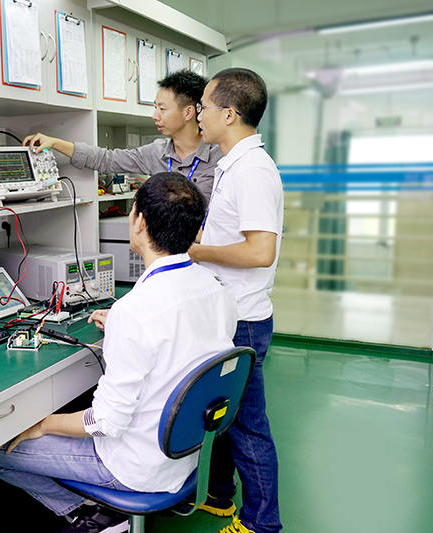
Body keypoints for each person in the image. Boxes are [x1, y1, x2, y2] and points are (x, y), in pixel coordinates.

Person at [0, 173, 237, 533]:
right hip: (185, 455)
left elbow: (104, 423)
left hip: (134, 468)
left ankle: (94, 516)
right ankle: (97, 513)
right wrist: (121, 324)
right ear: (196, 230)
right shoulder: (217, 289)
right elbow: (182, 340)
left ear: (139, 222)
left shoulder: (137, 311)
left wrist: (43, 424)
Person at [188, 68, 284, 533]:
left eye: (204, 106)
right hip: (228, 313)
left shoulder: (253, 171)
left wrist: (196, 251)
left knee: (248, 426)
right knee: (224, 415)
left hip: (243, 320)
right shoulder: (231, 164)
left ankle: (262, 524)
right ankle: (220, 496)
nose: (198, 115)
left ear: (229, 113)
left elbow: (260, 251)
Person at [23, 70, 221, 203]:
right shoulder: (156, 152)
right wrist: (55, 143)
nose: (155, 116)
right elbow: (106, 159)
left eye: (162, 109)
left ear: (188, 113)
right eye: (155, 108)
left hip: (208, 251)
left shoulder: (220, 156)